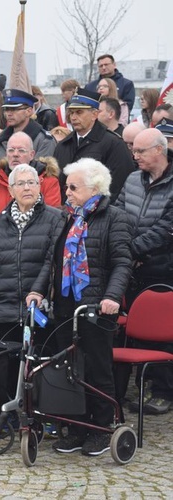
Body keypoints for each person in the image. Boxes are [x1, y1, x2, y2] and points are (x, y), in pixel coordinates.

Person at [27, 158, 132, 457]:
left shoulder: (115, 218)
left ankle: (101, 428)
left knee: (97, 368)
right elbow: (52, 261)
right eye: (65, 186)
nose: (67, 192)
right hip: (64, 306)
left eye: (73, 187)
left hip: (96, 307)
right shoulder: (66, 218)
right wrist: (36, 290)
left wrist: (111, 297)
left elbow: (122, 263)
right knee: (68, 369)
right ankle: (76, 427)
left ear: (94, 188)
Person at [0, 164, 64, 341]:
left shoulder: (56, 219)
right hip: (5, 311)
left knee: (37, 364)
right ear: (10, 190)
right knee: (8, 365)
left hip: (40, 308)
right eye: (21, 184)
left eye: (31, 183)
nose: (27, 188)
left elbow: (53, 263)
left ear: (39, 186)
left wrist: (43, 294)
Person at [116, 128, 173, 415]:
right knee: (137, 333)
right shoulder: (132, 179)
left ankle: (163, 391)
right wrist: (123, 248)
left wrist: (132, 250)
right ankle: (142, 387)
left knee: (162, 333)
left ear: (159, 151)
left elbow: (166, 230)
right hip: (133, 268)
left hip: (162, 268)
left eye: (140, 151)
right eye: (133, 150)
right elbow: (119, 214)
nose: (134, 156)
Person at [54, 88, 135, 202]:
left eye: (79, 112)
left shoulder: (113, 144)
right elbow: (57, 183)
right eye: (71, 112)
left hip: (99, 213)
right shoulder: (63, 145)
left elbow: (119, 185)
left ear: (94, 114)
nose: (73, 117)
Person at [0, 89, 56, 187]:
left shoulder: (44, 140)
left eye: (14, 109)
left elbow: (43, 178)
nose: (9, 113)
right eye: (7, 109)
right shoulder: (0, 141)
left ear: (29, 111)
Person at [0, 132, 62, 216]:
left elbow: (50, 218)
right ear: (6, 154)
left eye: (21, 150)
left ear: (31, 155)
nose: (15, 154)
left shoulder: (48, 181)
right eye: (11, 150)